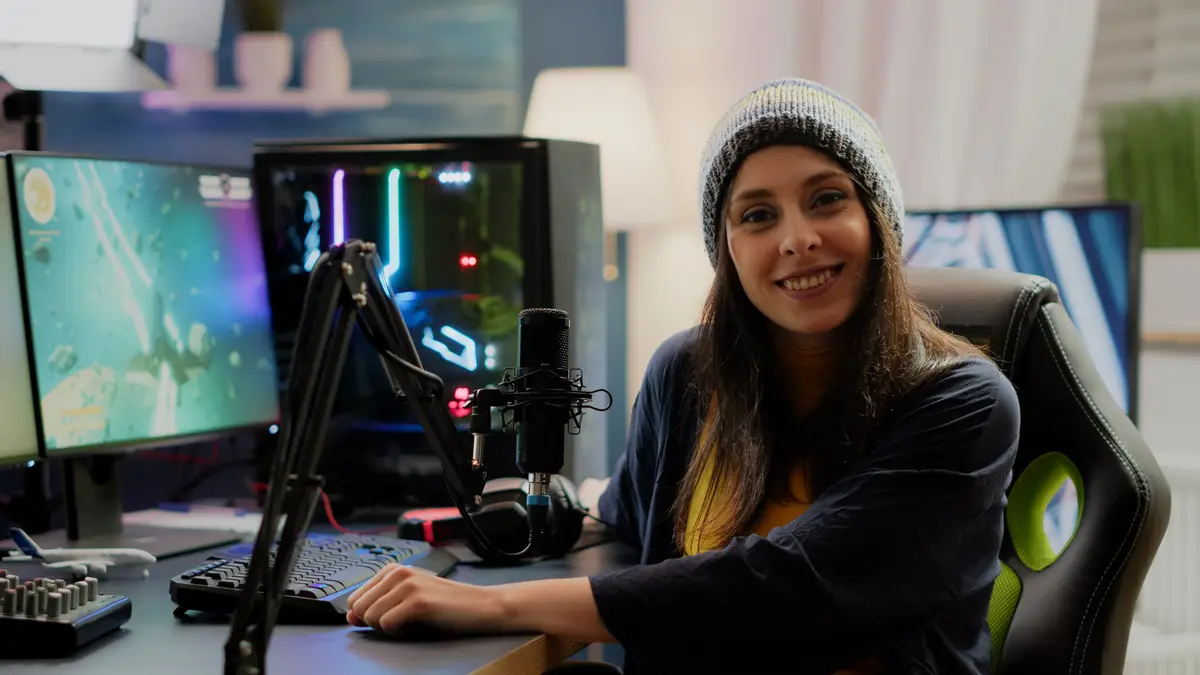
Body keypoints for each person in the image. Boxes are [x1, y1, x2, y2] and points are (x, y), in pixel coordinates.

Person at [343, 78, 1021, 675]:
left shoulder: (963, 402)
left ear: (878, 222)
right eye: (758, 214)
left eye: (826, 199)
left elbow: (783, 587)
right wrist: (475, 537)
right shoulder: (686, 374)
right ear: (726, 247)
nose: (796, 239)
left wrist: (490, 605)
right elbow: (625, 531)